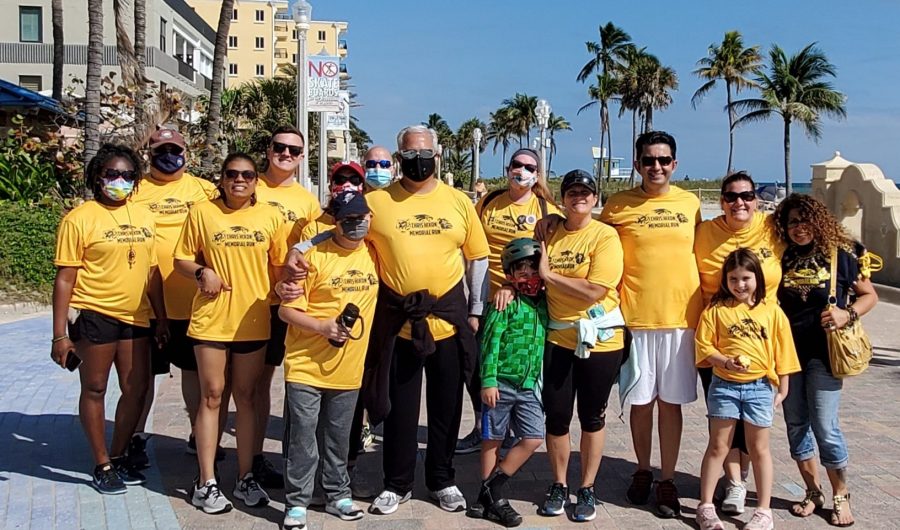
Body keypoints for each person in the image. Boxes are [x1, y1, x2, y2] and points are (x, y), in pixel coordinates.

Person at [286, 125, 490, 515]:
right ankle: (397, 483)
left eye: (424, 153)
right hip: (397, 321)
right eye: (410, 154)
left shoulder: (459, 203)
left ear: (438, 156)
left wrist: (477, 308)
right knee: (398, 407)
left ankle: (442, 479)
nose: (418, 160)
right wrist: (300, 250)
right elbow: (336, 231)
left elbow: (477, 257)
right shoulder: (377, 200)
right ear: (399, 158)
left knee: (447, 405)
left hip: (447, 320)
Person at [174, 153, 289, 514]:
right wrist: (200, 273)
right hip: (211, 319)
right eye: (232, 174)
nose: (240, 180)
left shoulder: (271, 216)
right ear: (221, 178)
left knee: (248, 396)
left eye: (248, 175)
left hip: (254, 319)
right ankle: (205, 481)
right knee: (212, 394)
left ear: (257, 180)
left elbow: (281, 266)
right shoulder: (202, 212)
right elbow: (180, 258)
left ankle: (245, 477)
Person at [51, 143, 165, 494]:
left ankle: (117, 457)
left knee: (137, 388)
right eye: (112, 174)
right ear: (98, 177)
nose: (120, 181)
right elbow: (65, 279)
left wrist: (161, 318)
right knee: (96, 387)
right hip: (94, 313)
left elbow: (152, 272)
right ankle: (101, 463)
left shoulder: (145, 216)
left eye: (128, 175)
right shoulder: (80, 218)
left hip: (136, 316)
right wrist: (59, 336)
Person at [599, 131, 702, 518]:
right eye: (648, 160)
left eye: (663, 160)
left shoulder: (690, 204)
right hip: (634, 320)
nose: (656, 166)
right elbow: (595, 239)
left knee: (671, 405)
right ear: (638, 164)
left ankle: (668, 479)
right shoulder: (618, 205)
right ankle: (643, 470)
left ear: (674, 164)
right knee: (640, 404)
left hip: (682, 322)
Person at [774, 194, 879, 527]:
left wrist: (845, 313)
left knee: (825, 426)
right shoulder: (782, 257)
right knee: (795, 425)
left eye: (805, 220)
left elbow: (869, 295)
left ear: (818, 221)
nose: (799, 228)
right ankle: (812, 491)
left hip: (825, 354)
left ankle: (840, 493)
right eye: (792, 222)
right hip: (789, 355)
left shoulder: (842, 255)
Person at [278, 191, 378, 529]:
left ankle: (337, 494)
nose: (356, 224)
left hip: (349, 368)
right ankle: (297, 502)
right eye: (347, 219)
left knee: (338, 436)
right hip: (305, 364)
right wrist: (322, 327)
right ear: (334, 222)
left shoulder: (376, 254)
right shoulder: (312, 257)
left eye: (361, 217)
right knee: (303, 437)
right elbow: (286, 310)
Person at [456, 148, 560, 455]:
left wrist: (515, 287)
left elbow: (551, 252)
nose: (522, 170)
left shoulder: (544, 207)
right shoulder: (488, 202)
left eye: (529, 166)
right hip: (483, 295)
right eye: (517, 164)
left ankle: (512, 431)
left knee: (508, 364)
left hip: (519, 299)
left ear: (537, 175)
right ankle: (483, 427)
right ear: (507, 167)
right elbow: (469, 242)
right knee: (476, 366)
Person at [534, 170, 624, 522]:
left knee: (592, 415)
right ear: (564, 198)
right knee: (556, 415)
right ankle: (559, 483)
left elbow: (594, 290)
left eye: (585, 192)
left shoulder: (604, 236)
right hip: (559, 337)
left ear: (596, 197)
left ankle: (587, 486)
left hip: (599, 339)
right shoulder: (551, 231)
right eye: (572, 192)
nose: (579, 197)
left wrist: (550, 275)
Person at [693, 171, 785, 514]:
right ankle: (733, 482)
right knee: (724, 420)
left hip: (764, 341)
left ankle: (746, 480)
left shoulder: (772, 227)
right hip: (718, 339)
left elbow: (812, 235)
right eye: (731, 197)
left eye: (746, 196)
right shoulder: (704, 231)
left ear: (756, 199)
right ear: (721, 201)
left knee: (754, 426)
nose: (739, 203)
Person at [129, 127, 218, 469]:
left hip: (193, 303)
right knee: (141, 376)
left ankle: (200, 436)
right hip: (144, 302)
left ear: (185, 152)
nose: (168, 155)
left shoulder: (204, 190)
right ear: (149, 153)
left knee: (193, 373)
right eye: (160, 149)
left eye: (174, 149)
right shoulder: (135, 189)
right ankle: (135, 436)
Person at [694, 249, 800, 530]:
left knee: (758, 448)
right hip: (724, 386)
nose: (740, 285)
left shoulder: (772, 311)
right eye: (733, 278)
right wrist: (725, 361)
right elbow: (704, 346)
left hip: (760, 387)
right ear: (725, 280)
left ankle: (764, 511)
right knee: (719, 445)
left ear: (757, 278)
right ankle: (705, 506)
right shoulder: (716, 310)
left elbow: (784, 349)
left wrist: (783, 386)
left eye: (746, 278)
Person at [252, 125, 321, 490]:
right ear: (269, 149)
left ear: (301, 156)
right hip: (249, 299)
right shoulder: (249, 184)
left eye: (294, 150)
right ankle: (244, 456)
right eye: (280, 147)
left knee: (279, 382)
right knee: (244, 385)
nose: (286, 155)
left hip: (288, 303)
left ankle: (270, 457)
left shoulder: (307, 201)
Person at [466, 238, 548, 527]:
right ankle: (490, 498)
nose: (529, 277)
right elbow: (489, 344)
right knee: (492, 440)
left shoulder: (544, 304)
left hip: (528, 386)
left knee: (534, 436)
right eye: (521, 272)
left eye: (533, 270)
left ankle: (491, 490)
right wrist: (487, 381)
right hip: (499, 384)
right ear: (510, 275)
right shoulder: (504, 304)